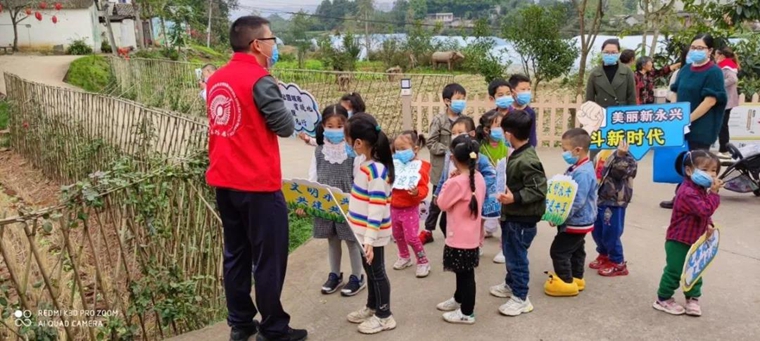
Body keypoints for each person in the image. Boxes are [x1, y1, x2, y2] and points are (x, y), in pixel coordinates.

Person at [205, 16, 306, 341]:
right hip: (258, 185)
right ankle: (273, 328)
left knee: (235, 254)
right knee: (268, 257)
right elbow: (285, 127)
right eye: (271, 39)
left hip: (225, 181)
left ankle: (240, 322)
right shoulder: (260, 80)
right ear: (256, 44)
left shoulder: (216, 79)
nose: (274, 44)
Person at [660, 34, 728, 209]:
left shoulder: (714, 72)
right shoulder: (685, 70)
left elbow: (710, 101)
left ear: (710, 51)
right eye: (693, 47)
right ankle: (681, 197)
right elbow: (674, 91)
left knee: (699, 165)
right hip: (682, 125)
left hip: (702, 126)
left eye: (701, 48)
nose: (696, 51)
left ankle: (697, 201)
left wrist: (687, 118)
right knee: (685, 162)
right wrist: (676, 112)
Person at [344, 113, 397, 334]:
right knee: (369, 269)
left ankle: (384, 315)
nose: (345, 143)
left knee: (377, 272)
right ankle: (372, 306)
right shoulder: (365, 164)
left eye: (346, 139)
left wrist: (369, 240)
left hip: (371, 234)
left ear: (358, 142)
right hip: (362, 232)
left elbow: (375, 209)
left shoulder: (375, 171)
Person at [305, 105, 366, 297]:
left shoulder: (353, 152)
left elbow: (359, 179)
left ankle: (357, 276)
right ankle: (335, 274)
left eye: (339, 125)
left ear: (347, 125)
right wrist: (306, 202)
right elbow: (312, 178)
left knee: (351, 241)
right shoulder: (319, 151)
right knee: (332, 240)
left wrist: (358, 203)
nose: (335, 129)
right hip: (325, 202)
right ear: (323, 126)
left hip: (348, 202)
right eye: (330, 125)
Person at [491, 110, 547, 316]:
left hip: (521, 218)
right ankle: (510, 285)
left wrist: (515, 197)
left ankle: (521, 297)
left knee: (517, 258)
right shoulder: (518, 153)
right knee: (510, 252)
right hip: (512, 215)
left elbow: (539, 189)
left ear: (509, 134)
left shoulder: (527, 160)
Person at [653, 150, 721, 317]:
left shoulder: (700, 189)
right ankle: (663, 298)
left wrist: (709, 225)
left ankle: (693, 298)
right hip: (679, 240)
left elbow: (705, 213)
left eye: (714, 171)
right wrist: (714, 194)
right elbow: (704, 209)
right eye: (705, 170)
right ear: (689, 171)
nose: (711, 175)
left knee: (696, 268)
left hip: (696, 239)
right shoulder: (687, 192)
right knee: (674, 271)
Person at [435, 135, 487, 325]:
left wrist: (449, 180)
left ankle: (466, 312)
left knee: (465, 275)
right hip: (472, 236)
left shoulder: (456, 182)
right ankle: (458, 299)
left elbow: (441, 203)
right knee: (464, 272)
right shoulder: (478, 178)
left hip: (458, 237)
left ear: (454, 158)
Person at [544, 128, 597, 297]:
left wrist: (559, 217)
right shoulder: (578, 167)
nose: (563, 153)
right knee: (576, 250)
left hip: (576, 221)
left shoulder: (583, 173)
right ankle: (577, 276)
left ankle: (565, 281)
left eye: (565, 149)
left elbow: (576, 202)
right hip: (580, 221)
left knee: (559, 251)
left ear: (577, 150)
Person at [432, 116, 498, 249]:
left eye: (459, 132)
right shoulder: (449, 155)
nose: (455, 136)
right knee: (446, 222)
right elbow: (443, 176)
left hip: (470, 198)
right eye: (453, 133)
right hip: (453, 196)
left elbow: (491, 174)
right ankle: (455, 243)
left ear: (471, 134)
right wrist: (436, 193)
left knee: (472, 223)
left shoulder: (478, 157)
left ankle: (474, 245)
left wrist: (476, 186)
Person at [421, 83, 467, 244]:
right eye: (458, 99)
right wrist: (447, 149)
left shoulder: (464, 120)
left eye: (463, 99)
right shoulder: (439, 120)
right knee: (436, 200)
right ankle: (428, 230)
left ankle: (452, 230)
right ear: (447, 101)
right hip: (442, 168)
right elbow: (431, 142)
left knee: (454, 200)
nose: (461, 102)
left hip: (459, 168)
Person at [590, 139, 637, 277]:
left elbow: (621, 174)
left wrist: (620, 156)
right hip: (599, 197)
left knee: (611, 232)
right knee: (597, 229)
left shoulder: (630, 154)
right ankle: (604, 253)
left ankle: (618, 262)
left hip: (615, 200)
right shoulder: (601, 150)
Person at [390, 130, 431, 278]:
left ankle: (423, 261)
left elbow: (424, 188)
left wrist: (417, 193)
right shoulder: (395, 165)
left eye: (403, 149)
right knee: (397, 235)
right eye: (397, 149)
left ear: (415, 149)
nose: (399, 152)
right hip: (394, 207)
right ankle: (404, 257)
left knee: (412, 237)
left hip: (409, 208)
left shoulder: (419, 167)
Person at [476, 110, 509, 263]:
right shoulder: (480, 147)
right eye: (498, 126)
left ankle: (504, 249)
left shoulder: (506, 144)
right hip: (485, 188)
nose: (501, 129)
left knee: (503, 218)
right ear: (486, 129)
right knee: (480, 218)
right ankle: (478, 245)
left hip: (502, 186)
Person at [585, 39, 637, 109]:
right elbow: (589, 99)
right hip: (601, 114)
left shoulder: (627, 72)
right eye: (606, 52)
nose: (610, 55)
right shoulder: (594, 73)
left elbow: (632, 97)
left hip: (621, 113)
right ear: (602, 53)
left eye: (613, 52)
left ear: (618, 53)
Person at [299, 92, 367, 146]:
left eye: (346, 109)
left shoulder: (360, 130)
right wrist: (309, 140)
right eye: (341, 108)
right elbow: (325, 143)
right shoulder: (333, 130)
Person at [715, 46, 740, 159]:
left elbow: (733, 79)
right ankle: (724, 149)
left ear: (722, 56)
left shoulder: (727, 66)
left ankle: (724, 150)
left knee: (722, 125)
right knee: (722, 125)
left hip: (727, 101)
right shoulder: (728, 64)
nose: (714, 57)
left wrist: (719, 83)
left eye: (716, 54)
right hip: (727, 100)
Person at [508, 74, 538, 147]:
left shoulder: (530, 112)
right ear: (512, 91)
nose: (526, 92)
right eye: (523, 89)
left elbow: (532, 136)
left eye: (528, 89)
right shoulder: (506, 110)